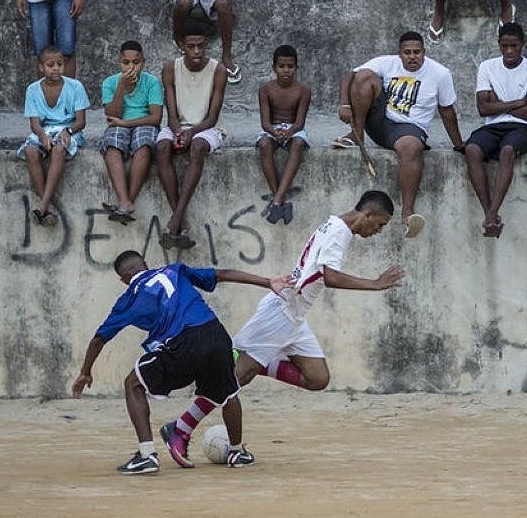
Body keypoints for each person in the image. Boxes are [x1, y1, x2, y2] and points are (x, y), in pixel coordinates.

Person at [158, 192, 405, 467]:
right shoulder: (340, 232)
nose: (378, 231)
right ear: (367, 215)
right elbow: (331, 277)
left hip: (295, 315)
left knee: (317, 378)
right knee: (232, 379)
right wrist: (375, 284)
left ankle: (259, 363)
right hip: (280, 314)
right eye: (380, 225)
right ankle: (180, 428)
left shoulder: (336, 224)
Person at [71, 250, 289, 473]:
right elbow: (222, 274)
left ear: (123, 279)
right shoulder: (175, 270)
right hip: (216, 334)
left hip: (182, 342)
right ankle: (237, 452)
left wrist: (86, 371)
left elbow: (98, 339)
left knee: (133, 383)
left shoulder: (128, 299)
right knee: (228, 392)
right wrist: (267, 282)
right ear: (145, 264)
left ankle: (147, 455)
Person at [333, 31, 465, 237]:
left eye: (417, 52)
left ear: (424, 52)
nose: (412, 57)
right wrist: (344, 104)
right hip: (380, 122)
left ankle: (407, 212)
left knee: (410, 148)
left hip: (410, 129)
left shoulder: (440, 74)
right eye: (407, 52)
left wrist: (458, 143)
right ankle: (356, 134)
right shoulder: (387, 62)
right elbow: (351, 75)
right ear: (399, 53)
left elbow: (447, 110)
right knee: (364, 76)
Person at [465, 23, 527, 238]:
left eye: (514, 46)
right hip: (493, 126)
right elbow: (483, 109)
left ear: (523, 45)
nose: (509, 51)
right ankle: (489, 214)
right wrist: (519, 102)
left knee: (507, 150)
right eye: (504, 46)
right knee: (471, 149)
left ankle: (492, 214)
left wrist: (498, 104)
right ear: (499, 45)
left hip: (525, 128)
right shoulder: (487, 67)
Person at [156, 22, 228, 250]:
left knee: (197, 147)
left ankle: (175, 220)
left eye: (201, 46)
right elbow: (171, 114)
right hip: (178, 125)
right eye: (191, 47)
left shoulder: (219, 70)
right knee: (162, 147)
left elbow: (212, 118)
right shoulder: (170, 68)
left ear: (206, 45)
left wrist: (191, 132)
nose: (196, 51)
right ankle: (182, 222)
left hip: (206, 128)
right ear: (181, 46)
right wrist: (178, 132)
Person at [19, 44, 89, 226]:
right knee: (30, 151)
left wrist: (68, 131)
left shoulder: (75, 86)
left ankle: (42, 205)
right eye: (50, 65)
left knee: (59, 149)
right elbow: (34, 123)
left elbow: (81, 121)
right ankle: (47, 205)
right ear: (41, 67)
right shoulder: (32, 89)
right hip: (44, 130)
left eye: (60, 64)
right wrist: (43, 136)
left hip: (70, 129)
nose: (56, 68)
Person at [100, 39, 163, 224]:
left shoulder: (152, 82)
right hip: (118, 122)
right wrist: (121, 85)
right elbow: (112, 114)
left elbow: (156, 118)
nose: (131, 67)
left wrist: (126, 123)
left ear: (143, 62)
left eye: (136, 62)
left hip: (144, 123)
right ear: (119, 62)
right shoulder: (110, 83)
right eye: (126, 62)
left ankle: (127, 203)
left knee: (144, 146)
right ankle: (124, 202)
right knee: (112, 147)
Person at [257, 44, 311, 225]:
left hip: (294, 129)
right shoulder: (265, 89)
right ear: (274, 68)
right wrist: (274, 131)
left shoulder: (303, 90)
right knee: (264, 145)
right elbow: (265, 122)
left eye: (290, 66)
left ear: (296, 67)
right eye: (281, 66)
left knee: (298, 144)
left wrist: (290, 132)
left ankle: (277, 200)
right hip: (271, 129)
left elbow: (300, 122)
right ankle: (280, 199)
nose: (286, 70)